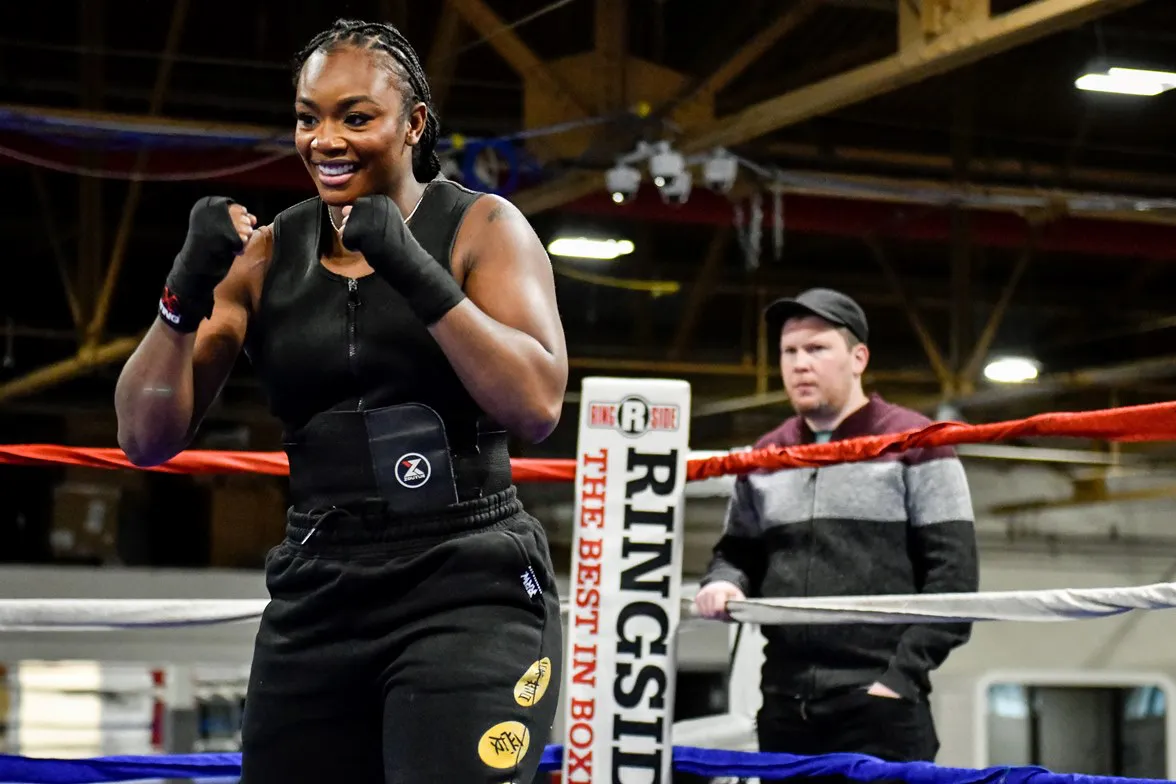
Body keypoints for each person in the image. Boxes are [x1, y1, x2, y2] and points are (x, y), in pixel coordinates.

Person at [114, 18, 567, 784]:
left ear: (413, 123)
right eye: (307, 117)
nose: (326, 138)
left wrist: (412, 268)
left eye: (356, 116)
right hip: (320, 587)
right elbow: (146, 437)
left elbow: (535, 406)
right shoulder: (264, 256)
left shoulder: (484, 228)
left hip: (468, 584)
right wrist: (181, 295)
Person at [693, 288, 978, 773]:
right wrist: (724, 581)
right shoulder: (766, 454)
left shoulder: (915, 443)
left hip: (880, 707)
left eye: (817, 348)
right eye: (789, 351)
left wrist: (899, 679)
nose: (800, 364)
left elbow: (955, 580)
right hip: (784, 702)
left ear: (858, 358)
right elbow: (737, 551)